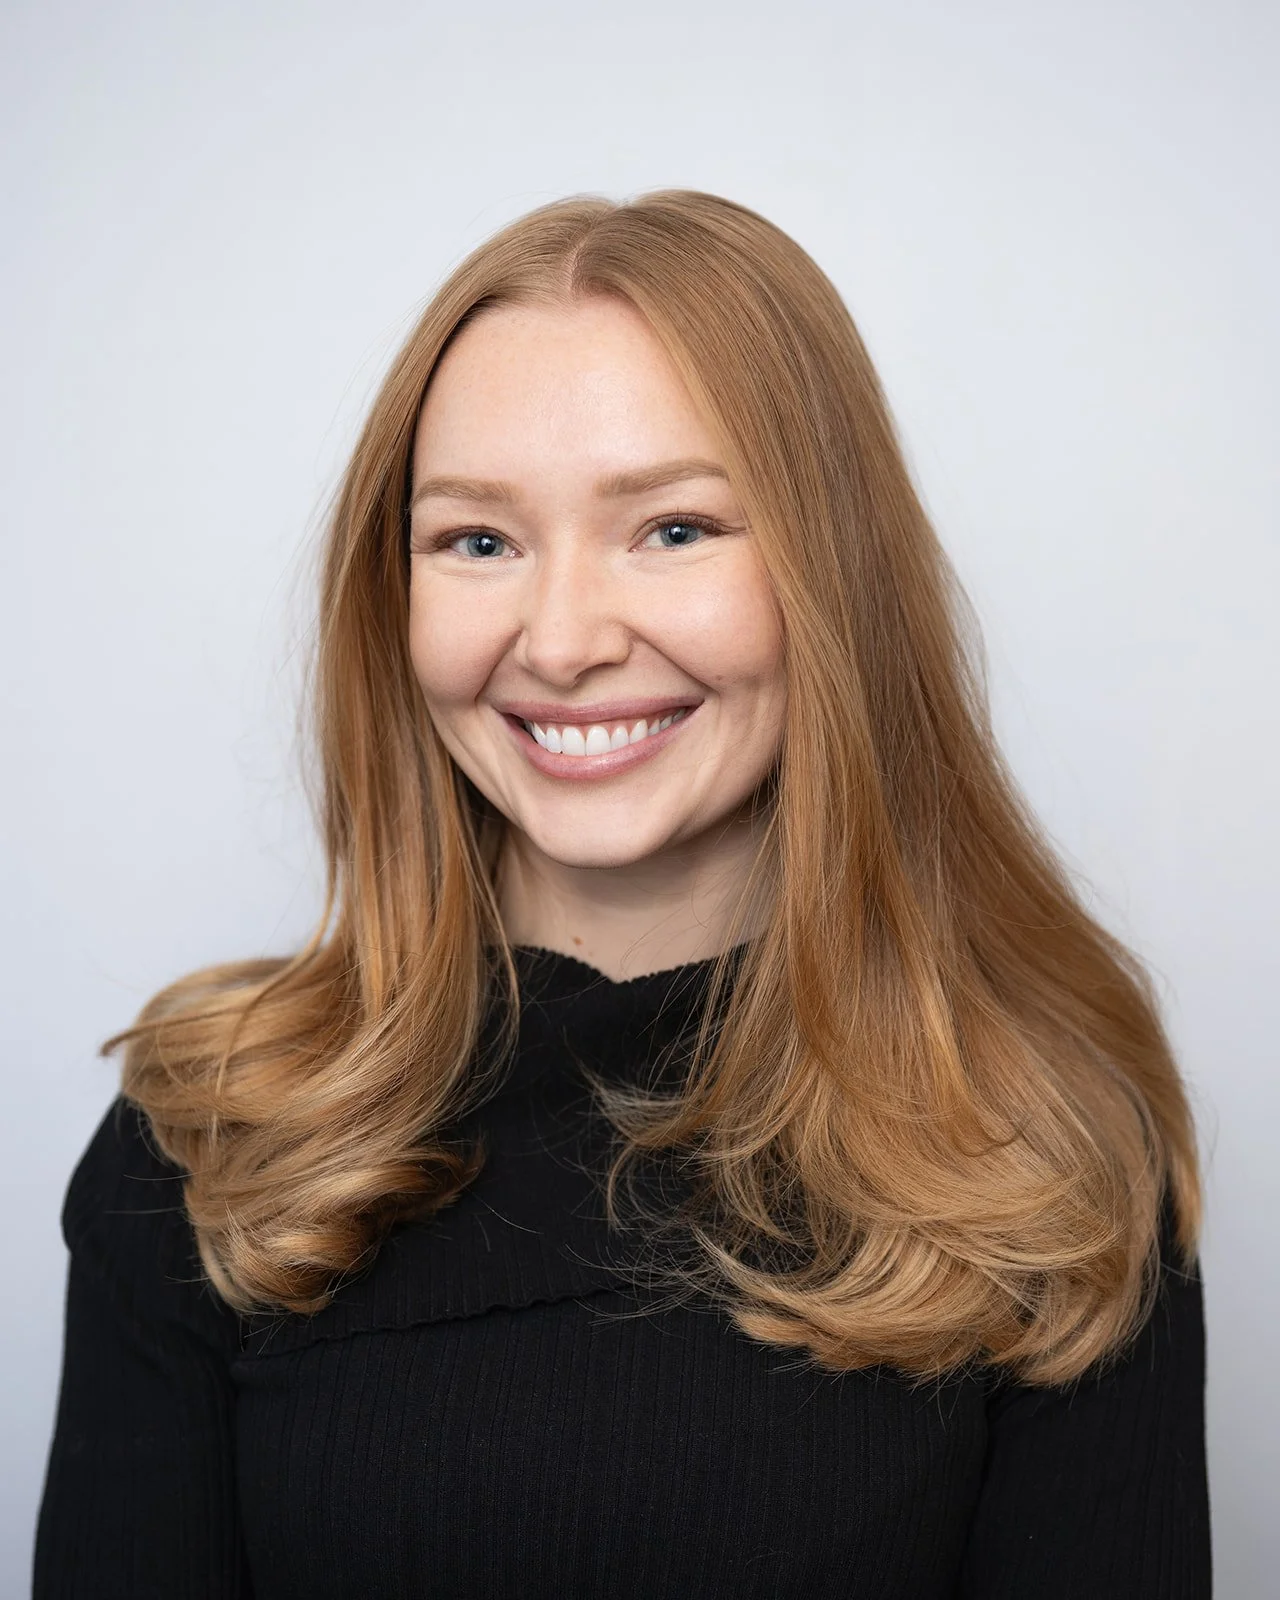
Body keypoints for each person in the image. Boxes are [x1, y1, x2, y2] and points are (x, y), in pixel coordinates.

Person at [34, 190, 1210, 1599]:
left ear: (831, 574)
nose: (564, 639)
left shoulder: (1042, 1157)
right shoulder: (214, 1138)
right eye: (478, 541)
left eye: (672, 529)